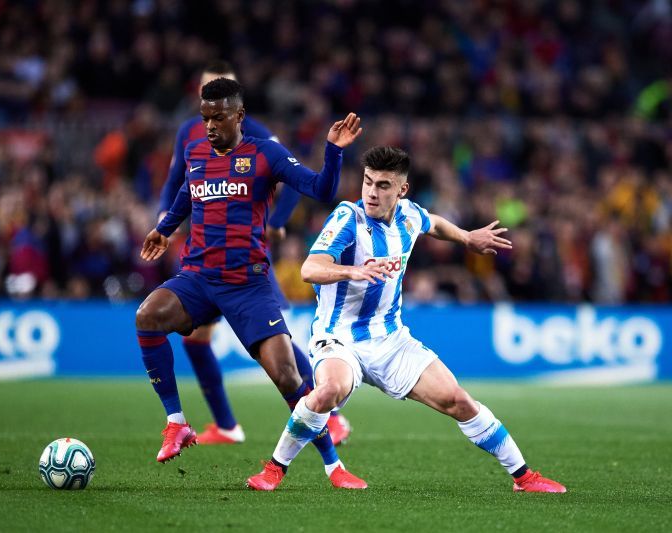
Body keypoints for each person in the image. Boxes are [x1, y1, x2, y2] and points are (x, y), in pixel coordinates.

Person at [246, 146, 567, 493]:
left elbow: (435, 223)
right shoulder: (347, 219)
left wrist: (466, 237)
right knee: (327, 392)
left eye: (383, 185)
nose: (371, 191)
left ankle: (523, 477)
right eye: (368, 182)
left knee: (458, 400)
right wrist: (354, 270)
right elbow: (310, 268)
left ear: (402, 190)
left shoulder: (410, 215)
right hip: (339, 338)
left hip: (390, 339)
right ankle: (274, 469)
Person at [137, 77, 366, 489]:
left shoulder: (265, 154)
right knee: (147, 316)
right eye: (205, 117)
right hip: (199, 278)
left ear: (239, 116)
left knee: (287, 376)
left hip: (248, 285)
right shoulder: (195, 153)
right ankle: (176, 423)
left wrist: (332, 152)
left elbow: (322, 188)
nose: (209, 126)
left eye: (218, 117)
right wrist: (165, 229)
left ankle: (334, 467)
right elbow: (188, 195)